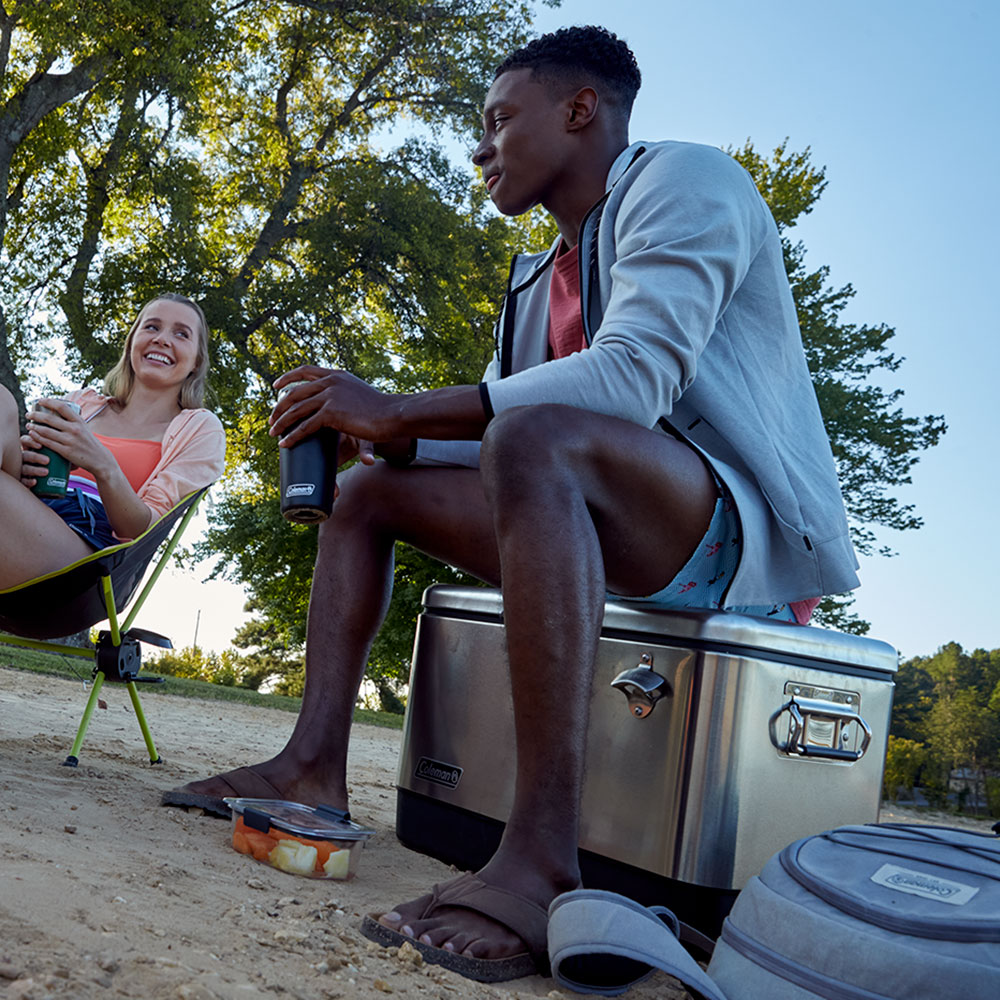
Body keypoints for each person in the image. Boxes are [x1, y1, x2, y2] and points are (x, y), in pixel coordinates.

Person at [163, 26, 859, 983]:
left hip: (724, 540)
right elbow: (495, 426)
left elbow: (631, 381)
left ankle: (538, 862)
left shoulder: (687, 183)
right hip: (592, 516)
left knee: (535, 438)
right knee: (370, 494)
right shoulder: (537, 276)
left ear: (581, 111)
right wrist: (384, 429)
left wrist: (408, 408)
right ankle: (310, 765)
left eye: (498, 119)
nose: (480, 147)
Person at [0, 293, 226, 590]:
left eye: (181, 334)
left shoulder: (200, 429)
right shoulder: (81, 403)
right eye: (151, 327)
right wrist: (29, 464)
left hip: (88, 561)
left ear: (197, 361)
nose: (161, 339)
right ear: (132, 342)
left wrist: (102, 464)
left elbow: (142, 531)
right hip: (26, 513)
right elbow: (23, 476)